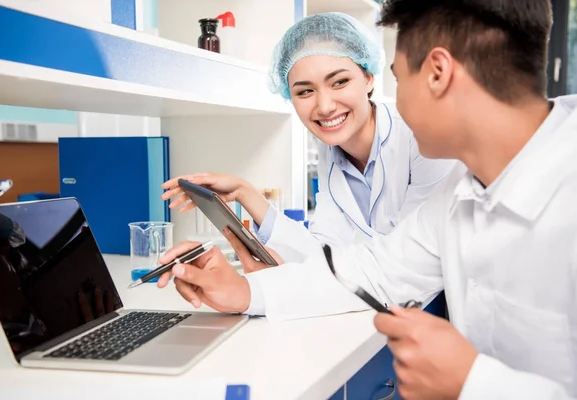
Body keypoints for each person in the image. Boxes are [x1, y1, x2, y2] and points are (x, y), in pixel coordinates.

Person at [158, 0, 577, 398]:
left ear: (436, 73)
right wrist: (244, 291)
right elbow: (371, 269)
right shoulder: (460, 192)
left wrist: (472, 383)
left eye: (396, 75)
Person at [161, 12, 455, 265]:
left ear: (368, 78)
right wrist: (244, 192)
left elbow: (407, 260)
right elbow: (322, 251)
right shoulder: (332, 147)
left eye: (339, 82)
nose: (325, 107)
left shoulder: (421, 138)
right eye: (305, 91)